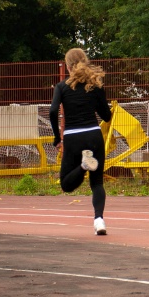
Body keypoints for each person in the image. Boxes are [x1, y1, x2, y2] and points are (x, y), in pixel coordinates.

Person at [50, 48, 112, 236]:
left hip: (73, 137)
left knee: (66, 184)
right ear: (85, 62)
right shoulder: (95, 85)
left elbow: (53, 112)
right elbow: (107, 116)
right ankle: (99, 220)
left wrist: (57, 138)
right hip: (93, 135)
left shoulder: (61, 87)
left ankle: (84, 166)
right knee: (97, 183)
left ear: (67, 66)